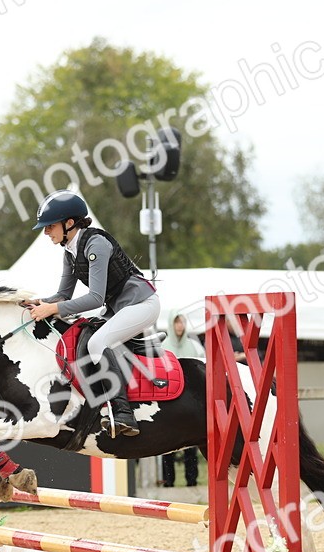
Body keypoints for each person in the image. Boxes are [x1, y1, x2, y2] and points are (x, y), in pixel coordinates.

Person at [22, 189, 160, 437]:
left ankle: (123, 413)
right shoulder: (69, 251)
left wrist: (52, 309)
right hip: (118, 308)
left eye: (50, 226)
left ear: (69, 223)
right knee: (83, 334)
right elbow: (63, 295)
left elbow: (95, 298)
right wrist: (39, 302)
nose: (46, 232)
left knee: (97, 342)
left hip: (142, 304)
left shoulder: (96, 244)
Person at [160, 312, 204, 488]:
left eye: (182, 322)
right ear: (171, 324)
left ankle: (192, 481)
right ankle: (168, 481)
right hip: (169, 401)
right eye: (176, 322)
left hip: (190, 402)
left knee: (191, 443)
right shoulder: (163, 347)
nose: (180, 325)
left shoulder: (194, 346)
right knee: (166, 444)